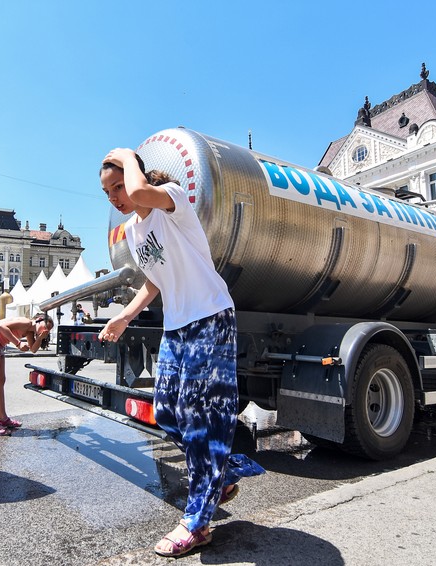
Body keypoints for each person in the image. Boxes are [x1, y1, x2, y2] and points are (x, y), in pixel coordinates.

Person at [99, 148, 264, 557]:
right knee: (168, 410)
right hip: (177, 324)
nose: (117, 197)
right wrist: (124, 317)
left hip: (210, 315)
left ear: (136, 175)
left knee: (202, 419)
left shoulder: (171, 199)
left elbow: (140, 191)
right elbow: (154, 282)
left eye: (118, 186)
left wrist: (124, 155)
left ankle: (198, 521)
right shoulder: (135, 233)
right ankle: (220, 473)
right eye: (107, 193)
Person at [0, 313, 53, 436]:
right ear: (39, 320)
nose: (46, 330)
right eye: (46, 326)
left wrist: (39, 338)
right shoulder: (26, 322)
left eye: (48, 330)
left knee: (0, 381)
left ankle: (2, 417)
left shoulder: (29, 331)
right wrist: (18, 344)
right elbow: (2, 327)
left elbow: (33, 349)